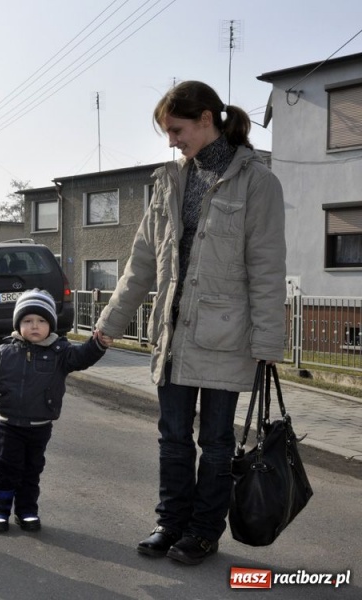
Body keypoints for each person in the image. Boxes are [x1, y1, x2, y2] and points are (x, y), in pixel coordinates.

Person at [94, 80, 286, 565]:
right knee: (172, 437)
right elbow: (141, 262)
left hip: (226, 336)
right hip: (172, 334)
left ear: (206, 118)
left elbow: (266, 267)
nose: (172, 141)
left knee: (216, 444)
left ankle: (203, 532)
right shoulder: (167, 182)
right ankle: (170, 522)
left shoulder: (257, 181)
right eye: (167, 133)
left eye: (176, 130)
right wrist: (111, 321)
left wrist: (267, 339)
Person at [0, 289, 112, 533]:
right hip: (9, 424)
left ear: (51, 325)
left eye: (41, 321)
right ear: (18, 324)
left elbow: (82, 357)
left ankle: (27, 510)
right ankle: (0, 510)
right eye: (27, 321)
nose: (34, 326)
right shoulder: (4, 352)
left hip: (40, 426)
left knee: (31, 470)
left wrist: (97, 344)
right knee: (6, 468)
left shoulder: (60, 352)